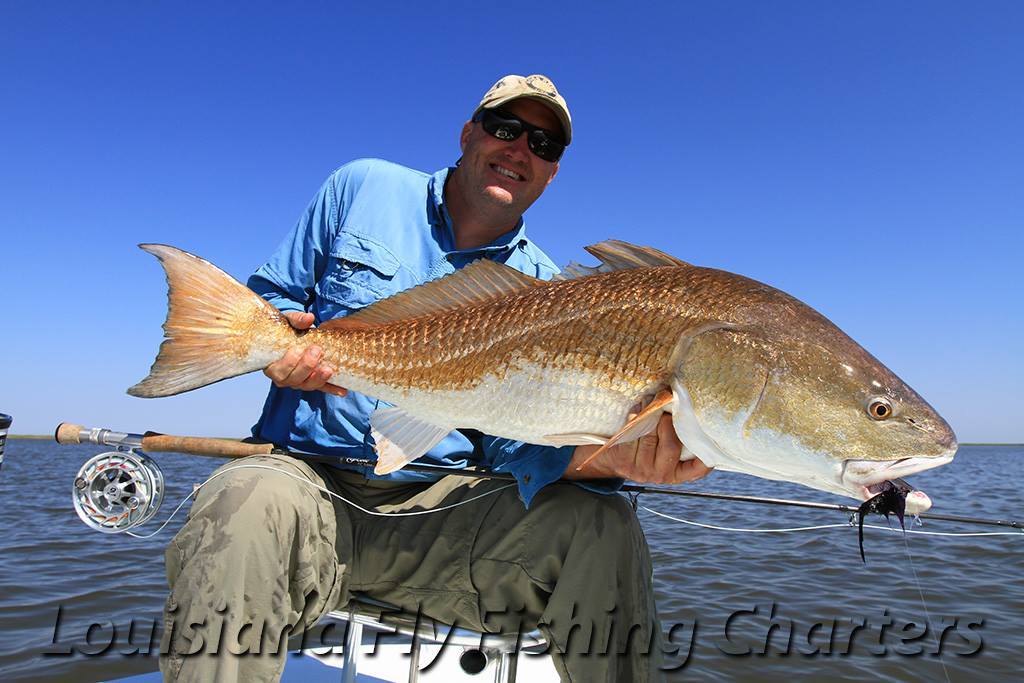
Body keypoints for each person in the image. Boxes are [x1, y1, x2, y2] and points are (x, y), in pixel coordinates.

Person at [160, 74, 712, 683]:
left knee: (603, 524)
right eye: (505, 128)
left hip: (444, 515)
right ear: (468, 131)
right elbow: (271, 298)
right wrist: (275, 346)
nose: (520, 149)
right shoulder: (363, 186)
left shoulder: (548, 288)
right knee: (241, 501)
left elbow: (516, 447)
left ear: (553, 172)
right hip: (306, 486)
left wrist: (616, 461)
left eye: (544, 144)